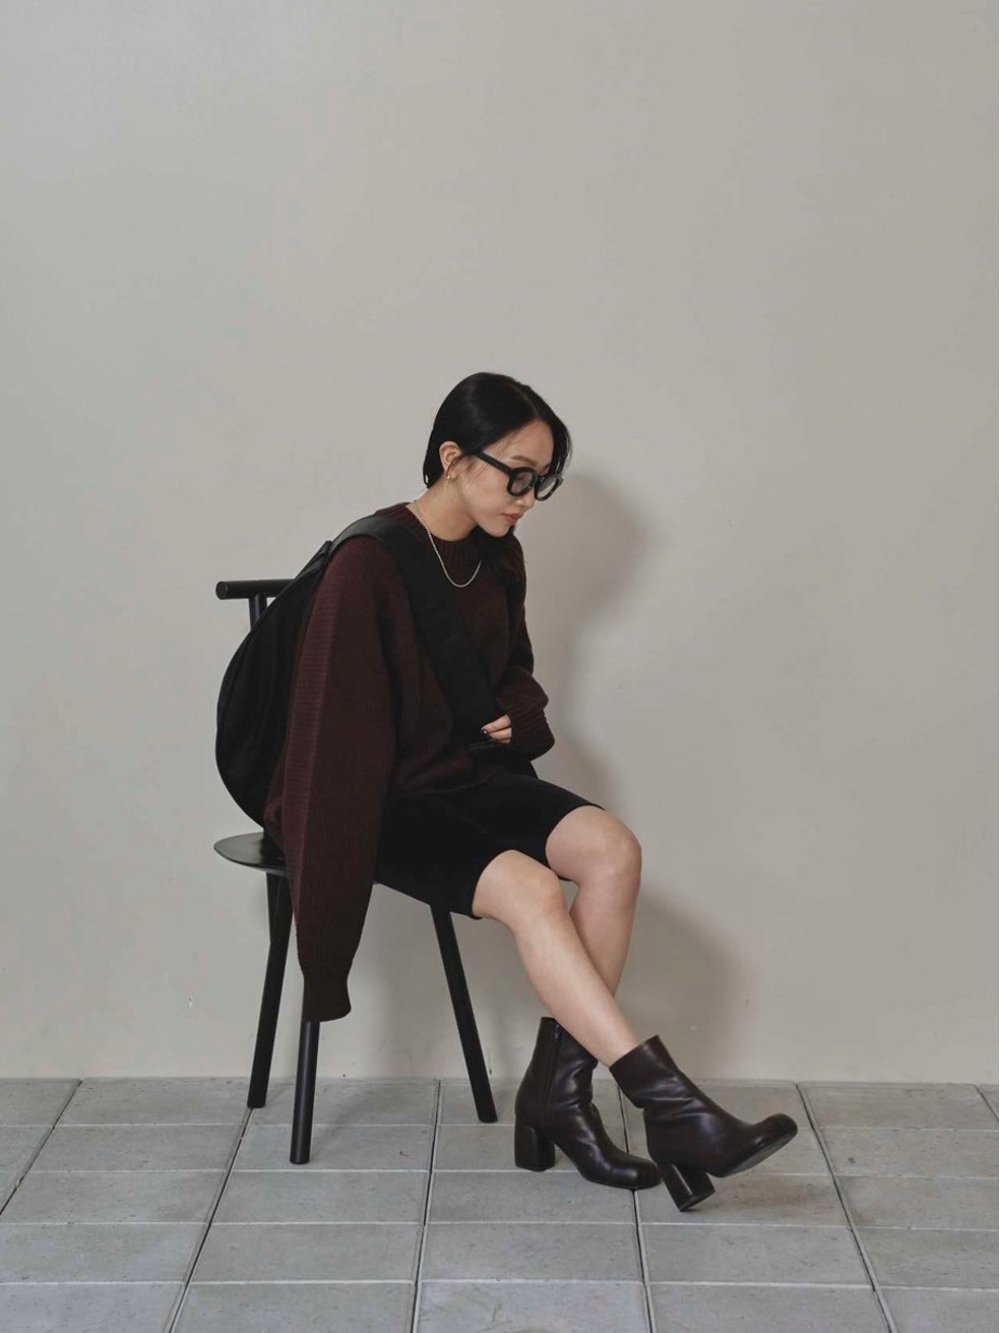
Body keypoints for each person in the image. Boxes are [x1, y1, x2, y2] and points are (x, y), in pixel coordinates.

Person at [266, 371, 798, 1211]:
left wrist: (516, 714)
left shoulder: (498, 553)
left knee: (613, 850)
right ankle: (668, 1105)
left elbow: (513, 673)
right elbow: (330, 744)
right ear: (453, 457)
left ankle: (558, 1093)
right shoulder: (367, 563)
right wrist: (325, 910)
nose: (527, 500)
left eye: (540, 482)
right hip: (384, 800)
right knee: (534, 888)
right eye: (517, 475)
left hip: (469, 779)